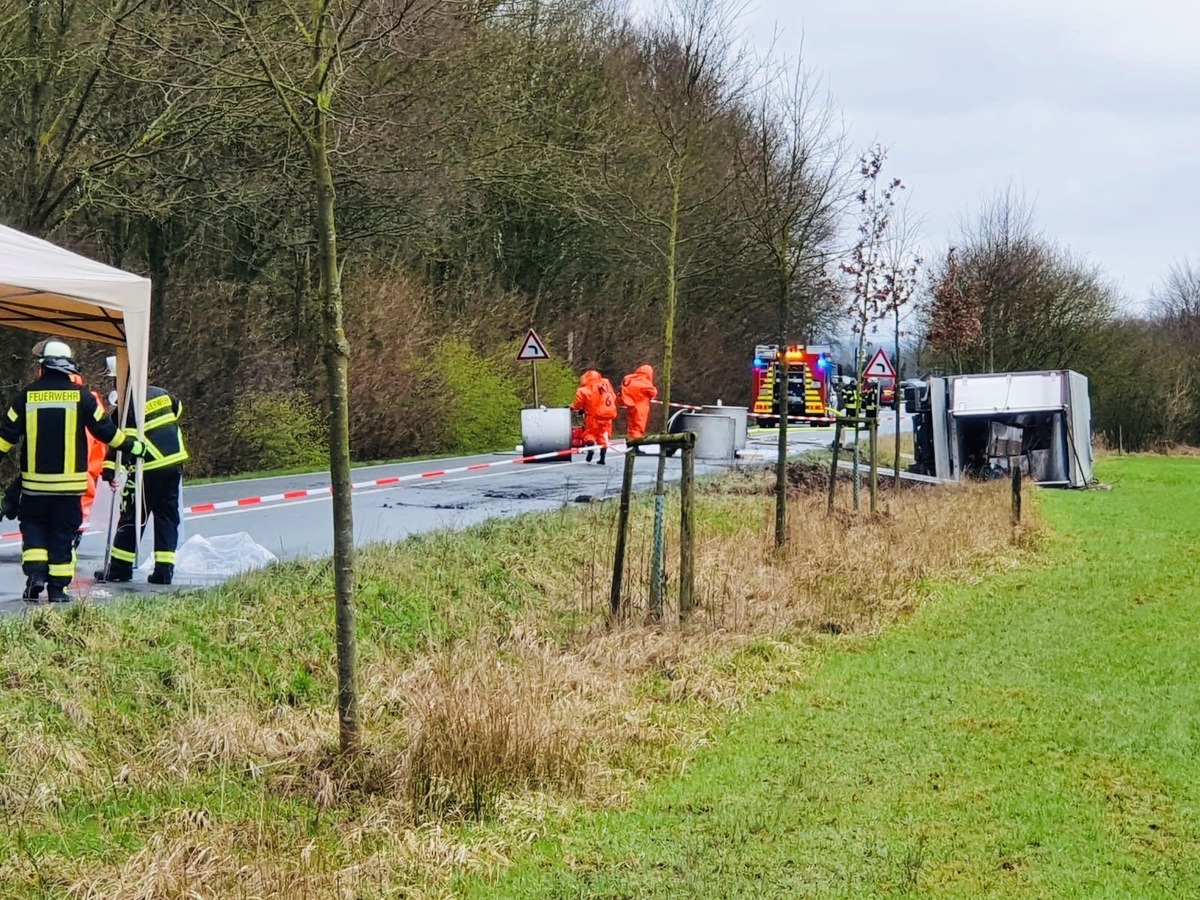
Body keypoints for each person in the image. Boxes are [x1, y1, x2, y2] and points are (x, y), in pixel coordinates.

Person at [0, 341, 147, 602]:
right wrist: (133, 445)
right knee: (62, 535)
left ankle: (35, 577)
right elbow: (106, 432)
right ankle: (58, 590)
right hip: (69, 490)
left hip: (34, 489)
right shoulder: (84, 397)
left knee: (33, 530)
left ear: (42, 366)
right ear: (68, 367)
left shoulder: (25, 396)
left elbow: (5, 438)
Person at [97, 361, 189, 586]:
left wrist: (109, 472)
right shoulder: (163, 394)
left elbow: (119, 443)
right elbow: (178, 410)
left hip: (147, 468)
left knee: (132, 516)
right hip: (174, 463)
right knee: (167, 517)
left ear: (118, 380)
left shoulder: (124, 409)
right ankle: (164, 571)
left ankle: (120, 568)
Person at [571, 370, 618, 465]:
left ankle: (591, 448)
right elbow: (613, 397)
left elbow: (579, 403)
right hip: (607, 417)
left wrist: (573, 407)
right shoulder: (606, 384)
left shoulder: (585, 389)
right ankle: (602, 458)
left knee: (589, 434)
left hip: (593, 417)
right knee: (603, 436)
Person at [619, 364, 658, 443]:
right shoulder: (644, 381)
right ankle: (635, 445)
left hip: (630, 405)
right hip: (641, 406)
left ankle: (630, 442)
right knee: (638, 427)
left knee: (632, 426)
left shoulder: (629, 379)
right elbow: (652, 392)